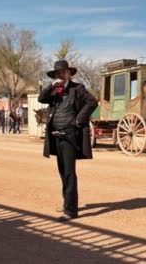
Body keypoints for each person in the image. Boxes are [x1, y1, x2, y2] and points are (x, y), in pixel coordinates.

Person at [38, 60, 98, 221]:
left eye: (64, 73)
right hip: (55, 136)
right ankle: (68, 203)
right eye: (58, 73)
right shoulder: (54, 91)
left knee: (70, 173)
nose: (61, 75)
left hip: (70, 136)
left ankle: (70, 211)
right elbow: (41, 99)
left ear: (69, 74)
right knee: (63, 172)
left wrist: (79, 120)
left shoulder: (77, 88)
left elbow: (92, 102)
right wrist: (51, 86)